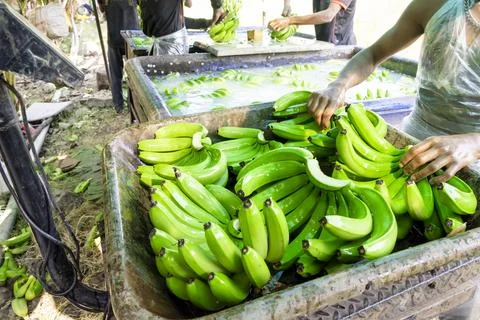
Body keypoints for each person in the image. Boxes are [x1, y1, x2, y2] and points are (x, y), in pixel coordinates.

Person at [307, 0, 480, 186]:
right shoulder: (436, 4)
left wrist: (473, 143)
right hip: (411, 145)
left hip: (472, 160)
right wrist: (339, 84)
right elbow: (374, 54)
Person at [98, 0, 139, 113]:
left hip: (115, 36)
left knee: (115, 74)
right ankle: (134, 105)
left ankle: (118, 106)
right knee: (135, 74)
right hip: (132, 36)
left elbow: (102, 9)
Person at [139, 0, 224, 55]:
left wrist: (217, 6)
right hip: (159, 46)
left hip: (172, 48)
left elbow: (169, 19)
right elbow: (165, 18)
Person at [269, 0, 357, 45]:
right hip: (323, 43)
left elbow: (328, 15)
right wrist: (287, 5)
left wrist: (290, 20)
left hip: (341, 45)